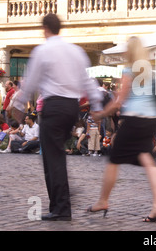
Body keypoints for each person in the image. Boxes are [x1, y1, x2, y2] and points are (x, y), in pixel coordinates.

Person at [13, 13, 103, 221]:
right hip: (72, 107)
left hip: (53, 107)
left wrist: (19, 105)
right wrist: (97, 106)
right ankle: (60, 201)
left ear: (45, 28)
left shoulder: (43, 50)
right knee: (56, 155)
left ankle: (61, 207)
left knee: (52, 158)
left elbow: (32, 81)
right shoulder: (76, 51)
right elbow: (88, 81)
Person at [87, 36, 156, 224]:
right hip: (150, 119)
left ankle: (103, 201)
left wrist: (100, 114)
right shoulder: (148, 71)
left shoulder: (129, 70)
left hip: (134, 119)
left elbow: (119, 102)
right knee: (148, 160)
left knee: (113, 159)